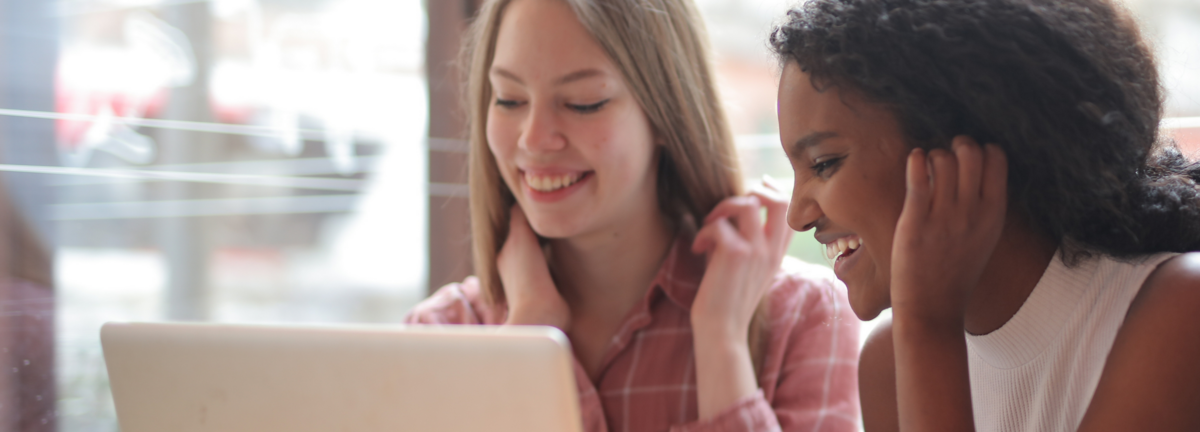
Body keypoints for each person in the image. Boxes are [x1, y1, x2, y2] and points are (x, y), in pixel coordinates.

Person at [405, 0, 861, 430]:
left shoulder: (802, 315)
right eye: (508, 99)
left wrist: (721, 343)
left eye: (583, 102)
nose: (533, 139)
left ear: (666, 112)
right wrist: (528, 334)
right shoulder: (441, 335)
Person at [770, 0, 1200, 431]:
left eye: (824, 163)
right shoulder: (889, 364)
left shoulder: (1181, 311)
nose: (796, 217)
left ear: (964, 144)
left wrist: (927, 327)